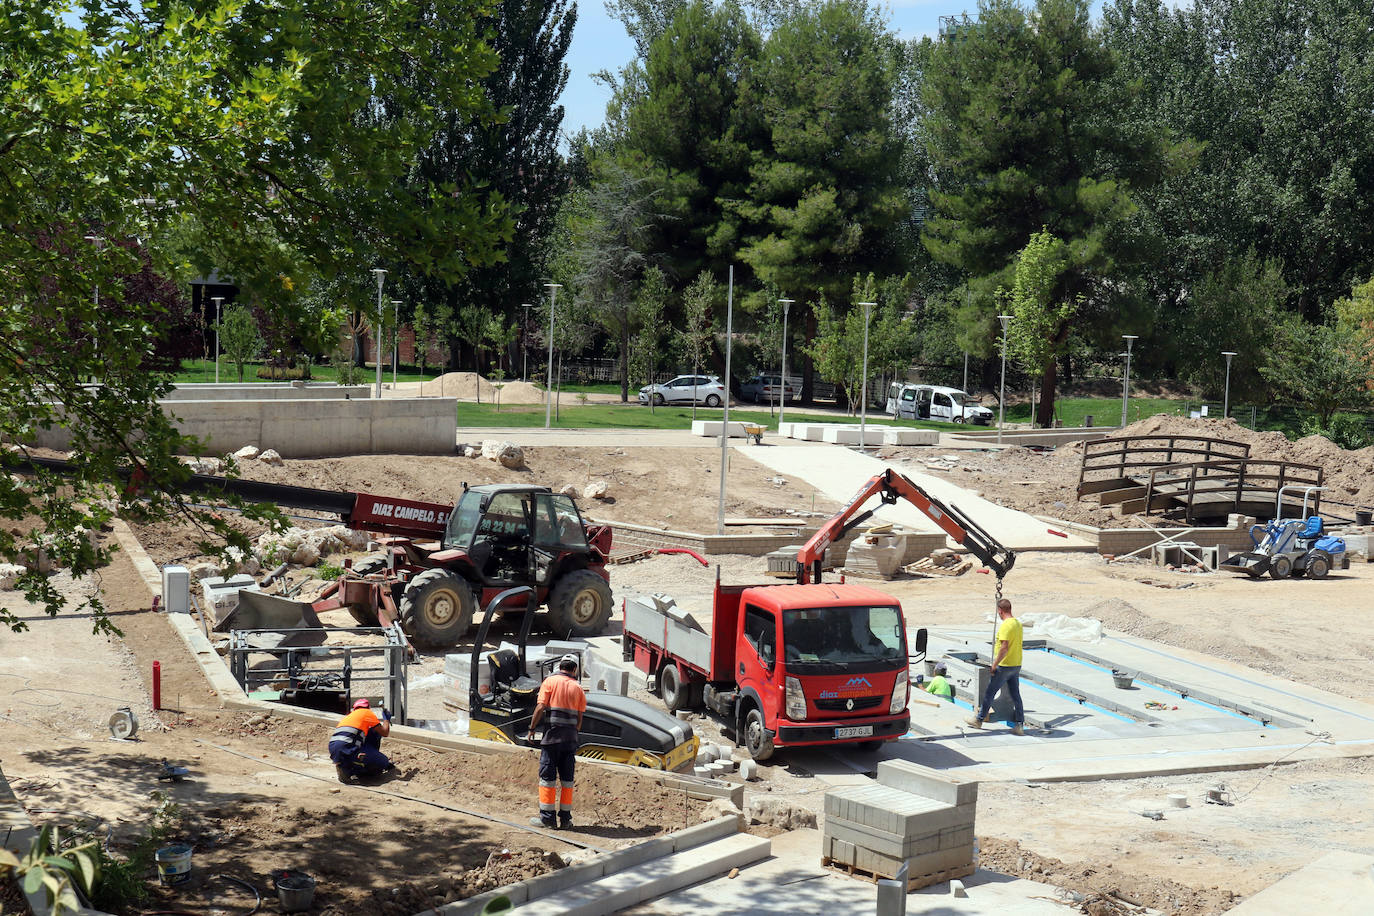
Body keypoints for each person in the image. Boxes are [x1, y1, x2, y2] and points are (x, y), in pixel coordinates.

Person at [527, 654, 587, 829]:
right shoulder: (578, 687)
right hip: (570, 741)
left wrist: (532, 728)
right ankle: (566, 819)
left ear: (560, 666)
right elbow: (579, 719)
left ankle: (547, 819)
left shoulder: (550, 682)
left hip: (552, 738)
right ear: (574, 669)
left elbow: (540, 707)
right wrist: (573, 734)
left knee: (547, 778)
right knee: (567, 781)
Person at [967, 599, 1025, 735]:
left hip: (1004, 665)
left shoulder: (1006, 625)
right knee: (1016, 695)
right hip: (1016, 664)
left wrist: (994, 664)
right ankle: (1019, 725)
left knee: (989, 693)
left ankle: (979, 720)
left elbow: (1004, 647)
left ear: (1000, 611)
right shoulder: (1017, 623)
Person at [329, 698, 394, 782]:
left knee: (371, 732)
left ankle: (345, 767)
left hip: (334, 748)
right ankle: (356, 771)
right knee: (384, 762)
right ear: (368, 707)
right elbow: (385, 732)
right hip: (349, 749)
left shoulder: (349, 716)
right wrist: (386, 719)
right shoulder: (367, 713)